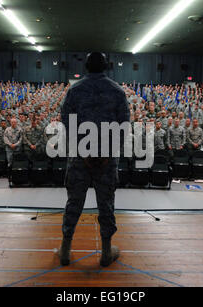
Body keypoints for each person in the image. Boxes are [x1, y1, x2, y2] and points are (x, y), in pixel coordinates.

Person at [59, 52, 130, 267]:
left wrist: (83, 151)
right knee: (106, 204)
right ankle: (106, 253)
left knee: (74, 202)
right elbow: (124, 125)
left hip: (80, 157)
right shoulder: (117, 91)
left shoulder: (75, 90)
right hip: (107, 160)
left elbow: (66, 120)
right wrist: (107, 153)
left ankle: (65, 250)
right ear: (107, 66)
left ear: (87, 66)